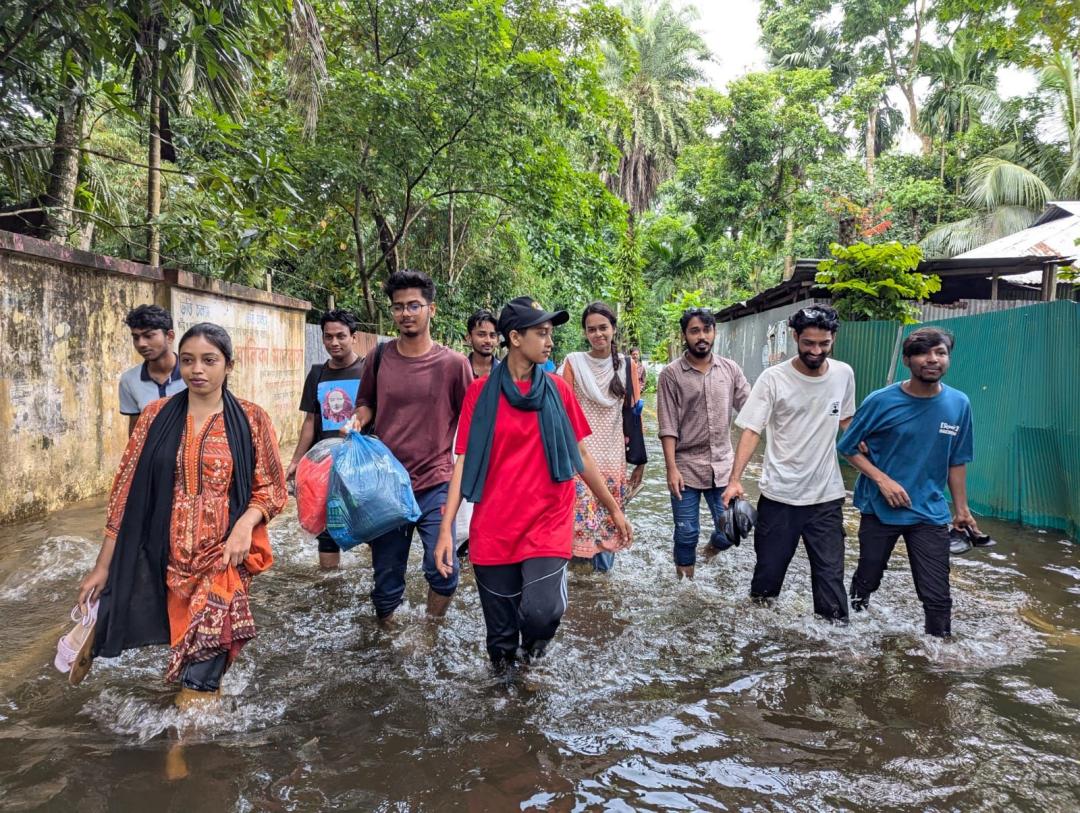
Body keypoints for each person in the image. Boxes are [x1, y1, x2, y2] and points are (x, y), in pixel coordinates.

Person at [76, 322, 287, 700]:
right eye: (188, 361)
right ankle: (198, 732)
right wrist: (103, 567)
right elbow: (125, 495)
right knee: (189, 656)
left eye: (209, 360)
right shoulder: (155, 416)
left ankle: (181, 752)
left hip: (224, 560)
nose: (197, 370)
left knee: (200, 673)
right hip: (169, 559)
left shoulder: (252, 419)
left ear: (229, 365)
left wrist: (245, 524)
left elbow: (271, 488)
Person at [433, 297, 632, 668]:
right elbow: (462, 462)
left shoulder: (558, 391)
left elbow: (581, 457)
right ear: (515, 338)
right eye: (541, 333)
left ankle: (533, 656)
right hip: (495, 525)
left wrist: (613, 509)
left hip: (548, 521)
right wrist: (446, 529)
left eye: (550, 333)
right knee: (500, 638)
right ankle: (507, 698)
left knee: (544, 612)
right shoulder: (479, 394)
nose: (550, 341)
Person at [837, 327, 982, 638]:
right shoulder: (881, 401)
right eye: (923, 353)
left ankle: (939, 657)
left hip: (929, 511)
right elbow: (847, 446)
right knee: (869, 577)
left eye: (940, 353)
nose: (932, 360)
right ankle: (851, 630)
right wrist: (882, 480)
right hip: (880, 509)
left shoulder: (959, 404)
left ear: (948, 358)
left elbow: (956, 460)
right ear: (907, 360)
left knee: (937, 593)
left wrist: (961, 510)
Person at [349, 270, 473, 622]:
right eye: (398, 307)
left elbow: (472, 422)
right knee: (385, 583)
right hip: (385, 485)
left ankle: (431, 630)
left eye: (414, 305)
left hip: (436, 483)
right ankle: (388, 642)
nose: (406, 313)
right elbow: (366, 403)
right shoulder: (380, 356)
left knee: (444, 572)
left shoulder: (454, 364)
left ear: (431, 309)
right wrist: (358, 419)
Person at [722, 305, 855, 622]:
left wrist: (877, 473)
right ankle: (758, 646)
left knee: (831, 582)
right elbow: (753, 429)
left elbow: (847, 424)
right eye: (809, 343)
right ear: (795, 336)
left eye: (824, 344)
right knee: (767, 581)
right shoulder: (774, 378)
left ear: (832, 338)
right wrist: (735, 479)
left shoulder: (843, 374)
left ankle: (832, 650)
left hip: (827, 498)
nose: (816, 350)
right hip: (780, 497)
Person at [657, 308, 750, 579]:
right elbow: (668, 426)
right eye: (695, 331)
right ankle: (685, 586)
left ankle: (711, 550)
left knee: (736, 526)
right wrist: (670, 468)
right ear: (684, 335)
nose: (702, 336)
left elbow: (751, 409)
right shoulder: (671, 375)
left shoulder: (730, 369)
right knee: (686, 533)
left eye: (707, 330)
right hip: (685, 467)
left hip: (722, 466)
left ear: (714, 332)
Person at [560, 302, 643, 572]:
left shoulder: (628, 365)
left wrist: (640, 462)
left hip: (612, 457)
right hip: (579, 458)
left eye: (603, 328)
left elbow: (633, 414)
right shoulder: (574, 362)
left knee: (609, 522)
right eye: (591, 329)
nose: (598, 334)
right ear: (584, 333)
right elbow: (564, 412)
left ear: (613, 329)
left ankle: (602, 586)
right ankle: (579, 585)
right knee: (579, 526)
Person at [287, 309, 365, 569]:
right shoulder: (317, 374)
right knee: (327, 525)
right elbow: (310, 420)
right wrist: (297, 461)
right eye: (328, 337)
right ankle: (329, 585)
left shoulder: (367, 371)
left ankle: (375, 581)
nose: (334, 342)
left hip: (360, 462)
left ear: (354, 337)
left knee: (370, 522)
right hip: (325, 465)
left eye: (341, 336)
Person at [118, 304, 186, 435]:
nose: (141, 344)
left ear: (170, 336)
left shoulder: (192, 375)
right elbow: (135, 428)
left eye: (148, 336)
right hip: (152, 454)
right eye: (136, 337)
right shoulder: (129, 380)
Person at [465, 309, 500, 378]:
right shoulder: (460, 370)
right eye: (481, 335)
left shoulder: (506, 372)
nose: (488, 340)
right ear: (469, 337)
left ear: (498, 340)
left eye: (492, 336)